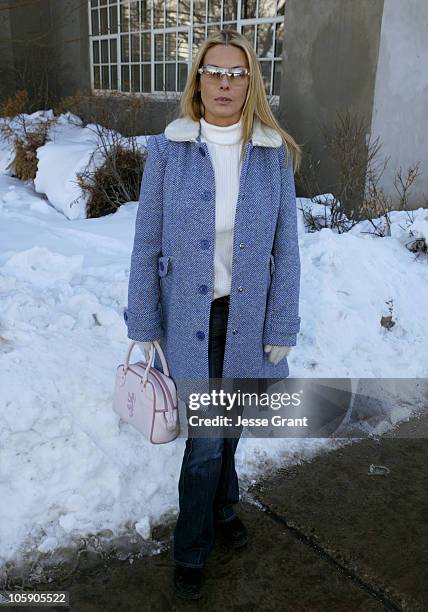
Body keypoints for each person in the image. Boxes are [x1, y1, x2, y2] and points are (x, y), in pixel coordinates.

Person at [124, 29, 302, 600]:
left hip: (245, 320)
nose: (224, 82)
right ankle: (191, 549)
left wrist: (281, 325)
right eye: (213, 71)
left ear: (251, 83)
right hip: (190, 322)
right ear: (197, 80)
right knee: (206, 438)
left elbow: (287, 248)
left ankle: (225, 508)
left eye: (236, 73)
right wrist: (145, 323)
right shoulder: (169, 149)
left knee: (232, 427)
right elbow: (146, 242)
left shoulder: (272, 157)